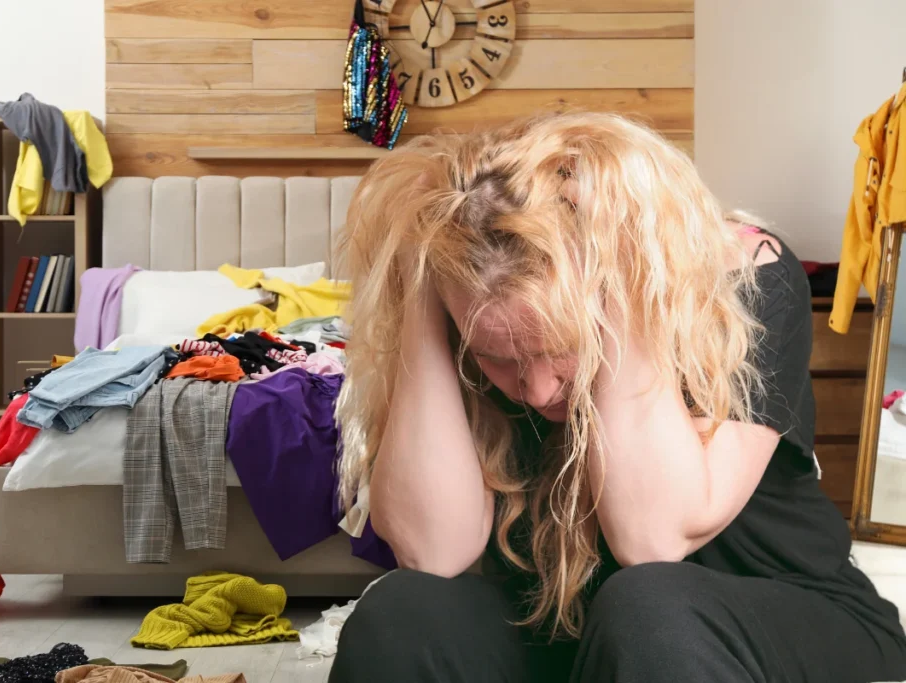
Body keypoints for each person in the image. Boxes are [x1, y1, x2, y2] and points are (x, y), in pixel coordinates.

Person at [328, 113, 906, 682]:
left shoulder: (750, 278)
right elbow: (434, 552)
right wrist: (424, 278)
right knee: (398, 612)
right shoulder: (462, 306)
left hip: (767, 616)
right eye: (497, 359)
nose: (537, 390)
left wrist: (627, 274)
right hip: (563, 631)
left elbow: (651, 540)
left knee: (649, 605)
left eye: (558, 348)